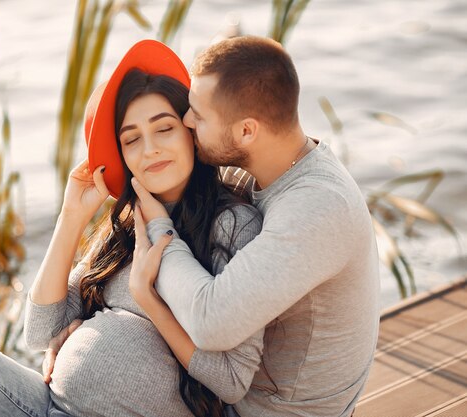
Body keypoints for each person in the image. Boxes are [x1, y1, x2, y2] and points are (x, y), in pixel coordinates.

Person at [0, 40, 263, 417]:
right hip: (46, 405)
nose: (150, 148)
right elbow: (41, 328)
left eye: (164, 128)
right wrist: (71, 217)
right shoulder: (123, 225)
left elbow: (229, 380)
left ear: (191, 133)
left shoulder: (231, 226)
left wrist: (147, 300)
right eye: (131, 139)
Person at [131, 36, 381, 417]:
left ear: (247, 131)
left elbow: (210, 321)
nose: (186, 121)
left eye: (198, 114)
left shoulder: (318, 208)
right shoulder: (265, 169)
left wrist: (161, 230)